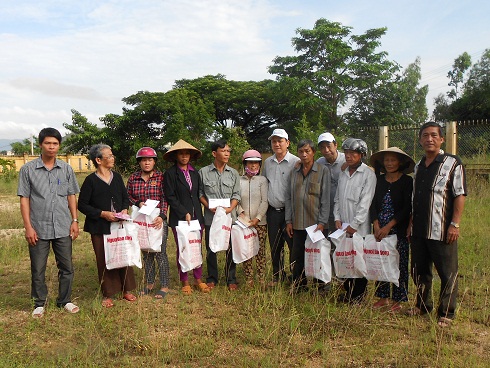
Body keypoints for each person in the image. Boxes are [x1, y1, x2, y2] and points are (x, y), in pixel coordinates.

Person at [17, 127, 80, 318]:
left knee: (67, 266)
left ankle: (65, 300)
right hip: (38, 227)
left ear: (59, 146)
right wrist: (28, 226)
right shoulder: (28, 169)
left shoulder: (66, 168)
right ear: (40, 144)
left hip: (62, 225)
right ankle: (39, 303)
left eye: (55, 143)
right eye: (47, 143)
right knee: (38, 267)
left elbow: (71, 195)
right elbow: (24, 199)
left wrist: (75, 220)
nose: (51, 147)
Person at [408, 122, 467, 327]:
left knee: (447, 273)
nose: (429, 139)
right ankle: (423, 305)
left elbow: (459, 194)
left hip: (441, 229)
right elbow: (415, 198)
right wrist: (411, 224)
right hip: (418, 230)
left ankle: (446, 313)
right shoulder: (419, 165)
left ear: (441, 139)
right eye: (425, 136)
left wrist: (455, 224)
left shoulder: (452, 163)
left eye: (434, 135)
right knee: (419, 270)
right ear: (420, 140)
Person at [78, 144, 137, 308]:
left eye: (112, 155)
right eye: (109, 156)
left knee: (123, 255)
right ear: (98, 160)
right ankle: (108, 293)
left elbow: (125, 197)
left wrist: (125, 208)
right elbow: (82, 205)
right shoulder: (90, 181)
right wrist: (102, 214)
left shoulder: (117, 177)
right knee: (104, 259)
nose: (113, 158)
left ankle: (126, 290)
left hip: (119, 225)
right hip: (99, 227)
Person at [369, 147, 414, 312]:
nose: (389, 163)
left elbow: (406, 208)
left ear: (400, 162)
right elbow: (372, 203)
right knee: (381, 261)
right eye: (386, 160)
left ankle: (398, 299)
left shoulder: (407, 181)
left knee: (399, 263)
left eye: (393, 160)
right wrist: (376, 224)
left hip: (397, 228)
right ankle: (383, 297)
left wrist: (389, 226)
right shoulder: (378, 180)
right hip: (379, 229)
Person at [163, 139, 210, 295]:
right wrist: (184, 212)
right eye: (181, 153)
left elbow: (197, 194)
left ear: (190, 156)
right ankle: (185, 280)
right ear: (176, 156)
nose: (184, 156)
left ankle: (198, 279)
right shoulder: (170, 174)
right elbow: (170, 196)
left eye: (187, 153)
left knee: (196, 247)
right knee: (183, 249)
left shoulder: (195, 172)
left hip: (197, 217)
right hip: (180, 218)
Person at [333, 138, 376, 303]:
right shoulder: (343, 173)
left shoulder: (368, 175)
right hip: (343, 226)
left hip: (359, 228)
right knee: (346, 259)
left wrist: (355, 224)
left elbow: (365, 203)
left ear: (362, 155)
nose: (349, 156)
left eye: (353, 153)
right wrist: (337, 218)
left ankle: (359, 295)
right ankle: (348, 292)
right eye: (347, 153)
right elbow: (338, 198)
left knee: (358, 260)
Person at [285, 139, 331, 292]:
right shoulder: (294, 172)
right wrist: (288, 220)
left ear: (313, 152)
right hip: (297, 222)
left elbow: (325, 199)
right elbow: (289, 197)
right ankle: (299, 285)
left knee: (318, 254)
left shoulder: (323, 171)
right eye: (301, 152)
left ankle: (321, 286)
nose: (304, 154)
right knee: (297, 256)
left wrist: (323, 222)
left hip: (316, 223)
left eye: (307, 151)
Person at [127, 147, 169, 299]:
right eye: (144, 160)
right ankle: (149, 283)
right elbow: (128, 196)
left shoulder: (160, 177)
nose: (146, 163)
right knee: (146, 252)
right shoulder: (133, 178)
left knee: (160, 252)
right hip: (140, 220)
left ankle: (164, 285)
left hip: (156, 220)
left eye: (150, 160)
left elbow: (165, 198)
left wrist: (162, 216)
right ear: (139, 162)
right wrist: (137, 202)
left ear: (154, 162)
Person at [199, 139, 241, 291]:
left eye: (228, 151)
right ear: (214, 153)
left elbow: (237, 194)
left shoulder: (234, 173)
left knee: (231, 248)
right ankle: (212, 277)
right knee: (212, 248)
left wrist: (230, 208)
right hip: (211, 217)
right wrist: (208, 206)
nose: (227, 154)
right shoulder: (203, 172)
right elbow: (200, 194)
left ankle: (231, 279)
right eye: (223, 151)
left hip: (229, 218)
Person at [262, 128, 300, 286]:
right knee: (275, 246)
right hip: (273, 212)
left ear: (288, 143)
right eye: (274, 141)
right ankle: (277, 275)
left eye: (280, 141)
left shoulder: (296, 162)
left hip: (290, 213)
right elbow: (264, 184)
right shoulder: (268, 163)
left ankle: (296, 276)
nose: (277, 144)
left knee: (293, 246)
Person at [237, 149, 269, 288]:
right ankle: (249, 279)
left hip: (260, 223)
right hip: (244, 223)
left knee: (260, 251)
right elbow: (236, 199)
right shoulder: (239, 180)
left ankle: (261, 278)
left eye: (256, 163)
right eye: (250, 163)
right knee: (247, 251)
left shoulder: (262, 180)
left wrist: (258, 217)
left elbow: (265, 201)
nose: (253, 166)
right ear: (245, 164)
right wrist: (241, 213)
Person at [316, 132, 346, 231]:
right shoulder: (319, 163)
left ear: (336, 145)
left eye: (329, 146)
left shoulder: (346, 159)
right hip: (326, 211)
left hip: (344, 211)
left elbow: (367, 169)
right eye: (322, 148)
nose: (326, 150)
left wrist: (351, 165)